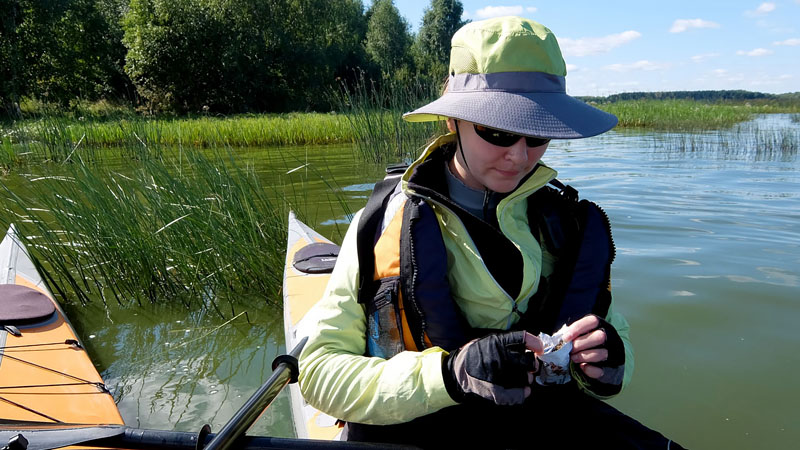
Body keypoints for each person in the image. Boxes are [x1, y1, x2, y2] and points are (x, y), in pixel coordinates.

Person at [299, 16, 682, 449]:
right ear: (451, 121)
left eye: (537, 134)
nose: (518, 156)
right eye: (497, 131)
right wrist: (450, 375)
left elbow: (613, 334)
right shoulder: (385, 223)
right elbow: (319, 374)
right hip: (418, 429)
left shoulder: (567, 224)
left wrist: (611, 359)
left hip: (539, 424)